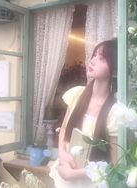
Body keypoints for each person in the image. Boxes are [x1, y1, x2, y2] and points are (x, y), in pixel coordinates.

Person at [49, 39, 118, 187]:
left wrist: (74, 174)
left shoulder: (114, 111)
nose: (93, 61)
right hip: (64, 176)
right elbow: (64, 130)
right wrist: (62, 155)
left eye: (102, 58)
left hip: (89, 182)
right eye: (94, 55)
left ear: (114, 70)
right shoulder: (77, 94)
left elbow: (114, 163)